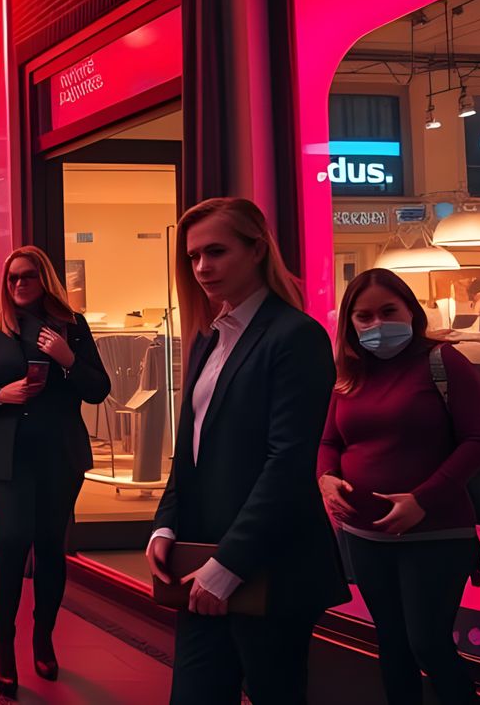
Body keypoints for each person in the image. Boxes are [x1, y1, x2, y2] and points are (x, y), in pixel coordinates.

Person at [146, 197, 348, 704]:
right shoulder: (207, 339)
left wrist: (229, 565)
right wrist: (166, 524)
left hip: (269, 566)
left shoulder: (295, 336)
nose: (202, 268)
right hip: (201, 563)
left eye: (216, 251)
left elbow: (288, 462)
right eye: (193, 257)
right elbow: (189, 453)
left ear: (257, 250)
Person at [318, 268, 480, 705]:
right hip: (364, 537)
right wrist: (326, 478)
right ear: (350, 323)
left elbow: (478, 439)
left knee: (428, 643)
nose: (376, 325)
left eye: (388, 311)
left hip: (436, 534)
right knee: (392, 645)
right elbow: (329, 440)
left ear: (410, 310)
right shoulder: (348, 373)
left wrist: (422, 500)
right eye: (364, 316)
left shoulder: (443, 361)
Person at [0, 245, 111, 697]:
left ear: (44, 279)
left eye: (28, 276)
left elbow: (99, 389)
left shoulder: (72, 327)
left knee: (49, 545)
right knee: (10, 542)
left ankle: (42, 636)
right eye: (12, 278)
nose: (20, 284)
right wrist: (0, 396)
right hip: (8, 454)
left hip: (60, 453)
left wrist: (67, 358)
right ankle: (3, 644)